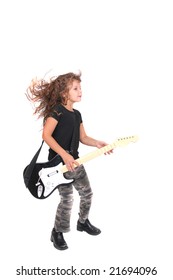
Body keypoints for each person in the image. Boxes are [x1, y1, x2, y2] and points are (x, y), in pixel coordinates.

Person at [26, 71, 112, 250]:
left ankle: (83, 222)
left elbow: (83, 137)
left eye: (80, 88)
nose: (80, 91)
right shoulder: (56, 110)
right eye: (75, 88)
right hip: (59, 163)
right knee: (67, 199)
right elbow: (46, 136)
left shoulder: (77, 114)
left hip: (75, 161)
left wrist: (97, 143)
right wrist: (64, 155)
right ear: (64, 92)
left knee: (87, 193)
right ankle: (57, 232)